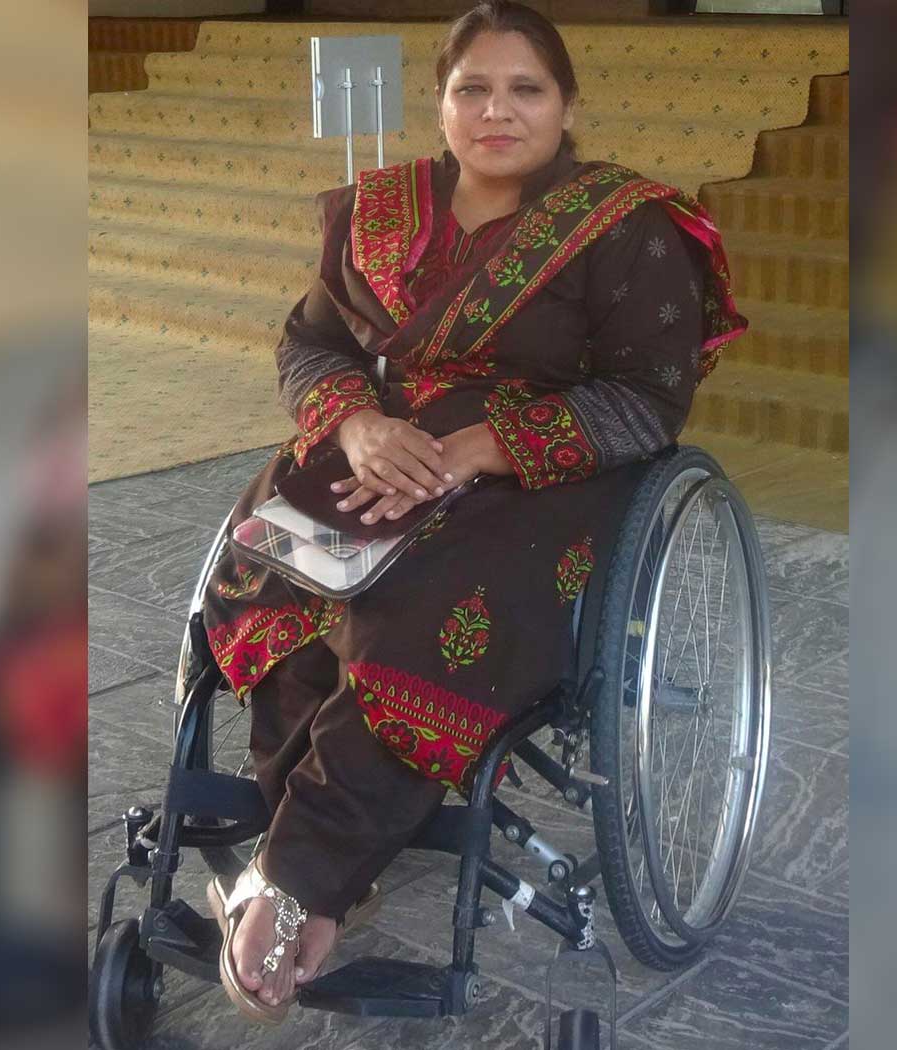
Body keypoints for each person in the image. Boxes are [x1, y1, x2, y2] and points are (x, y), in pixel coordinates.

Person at [200, 0, 746, 1023]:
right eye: (472, 89)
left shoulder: (620, 228)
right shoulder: (380, 208)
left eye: (524, 89)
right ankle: (315, 855)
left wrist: (477, 449)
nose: (497, 111)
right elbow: (309, 344)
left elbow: (644, 399)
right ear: (441, 104)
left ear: (566, 104)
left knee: (416, 615)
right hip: (377, 452)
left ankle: (297, 882)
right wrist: (354, 423)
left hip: (536, 479)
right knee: (289, 589)